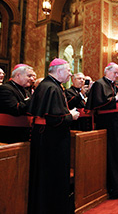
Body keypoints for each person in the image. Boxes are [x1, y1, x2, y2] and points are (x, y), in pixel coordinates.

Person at [27, 58, 80, 214]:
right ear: (59, 71)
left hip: (45, 136)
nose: (70, 74)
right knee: (51, 175)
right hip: (51, 139)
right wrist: (71, 116)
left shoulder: (48, 85)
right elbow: (56, 119)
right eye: (69, 70)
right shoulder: (52, 87)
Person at [86, 62, 118, 199]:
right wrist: (115, 98)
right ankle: (113, 187)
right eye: (114, 72)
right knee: (111, 154)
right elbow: (98, 103)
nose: (117, 75)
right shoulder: (99, 84)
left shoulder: (116, 85)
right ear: (107, 71)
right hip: (108, 125)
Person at [0, 64, 34, 143]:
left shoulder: (25, 90)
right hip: (7, 134)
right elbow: (15, 109)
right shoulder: (5, 89)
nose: (32, 79)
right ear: (18, 75)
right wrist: (34, 99)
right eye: (29, 76)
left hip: (21, 132)